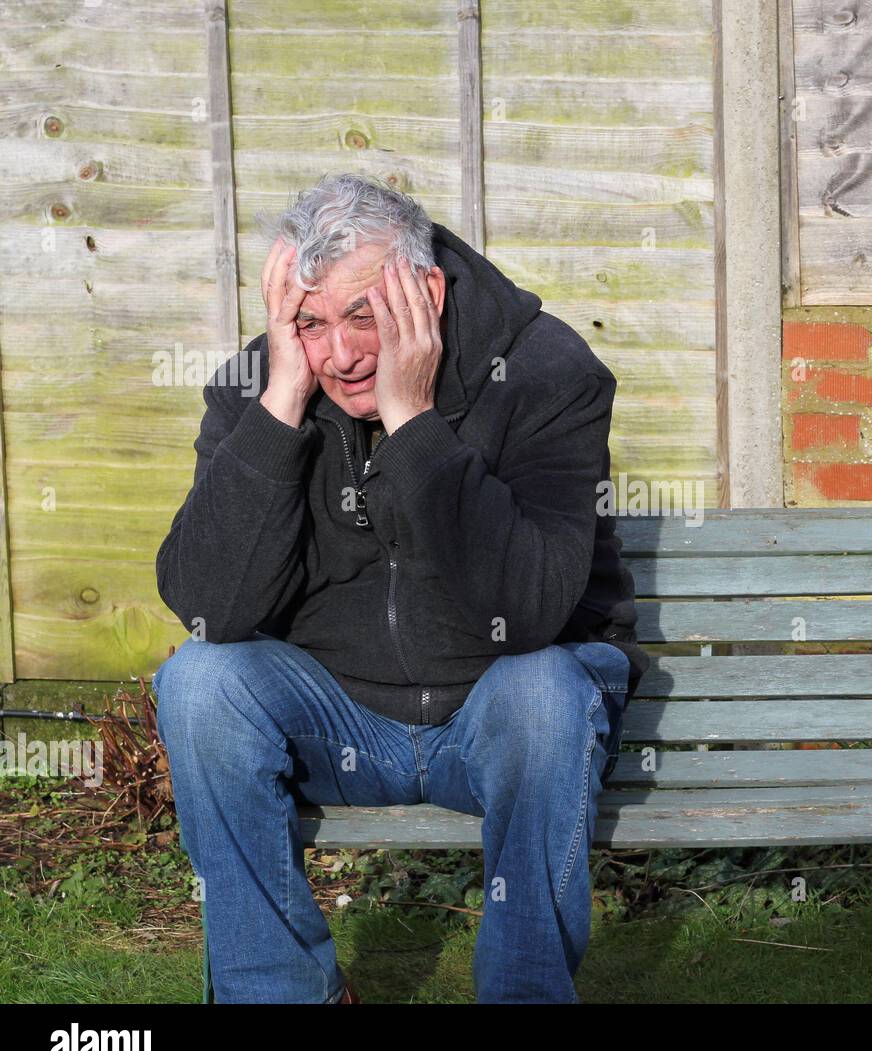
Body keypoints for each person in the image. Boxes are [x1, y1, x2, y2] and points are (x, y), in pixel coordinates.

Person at [151, 171, 648, 1004]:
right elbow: (212, 605)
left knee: (543, 691)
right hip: (334, 715)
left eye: (363, 315)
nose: (340, 354)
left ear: (426, 293)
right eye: (310, 322)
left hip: (500, 713)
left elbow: (525, 613)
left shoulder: (546, 372)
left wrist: (413, 422)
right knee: (199, 682)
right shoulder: (263, 384)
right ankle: (282, 994)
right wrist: (278, 404)